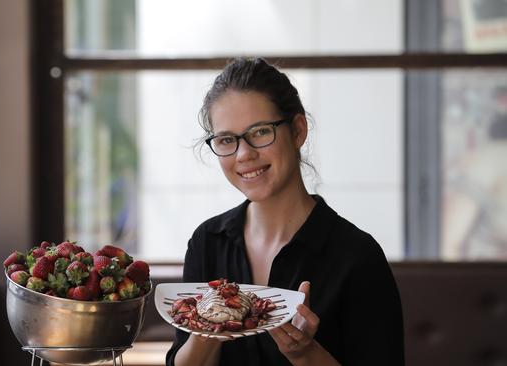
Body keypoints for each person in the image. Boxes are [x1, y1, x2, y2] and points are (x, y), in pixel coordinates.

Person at [165, 58, 404, 366]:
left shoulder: (357, 255)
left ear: (298, 131)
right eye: (227, 139)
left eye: (261, 132)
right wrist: (206, 327)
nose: (244, 154)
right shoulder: (208, 242)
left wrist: (305, 354)